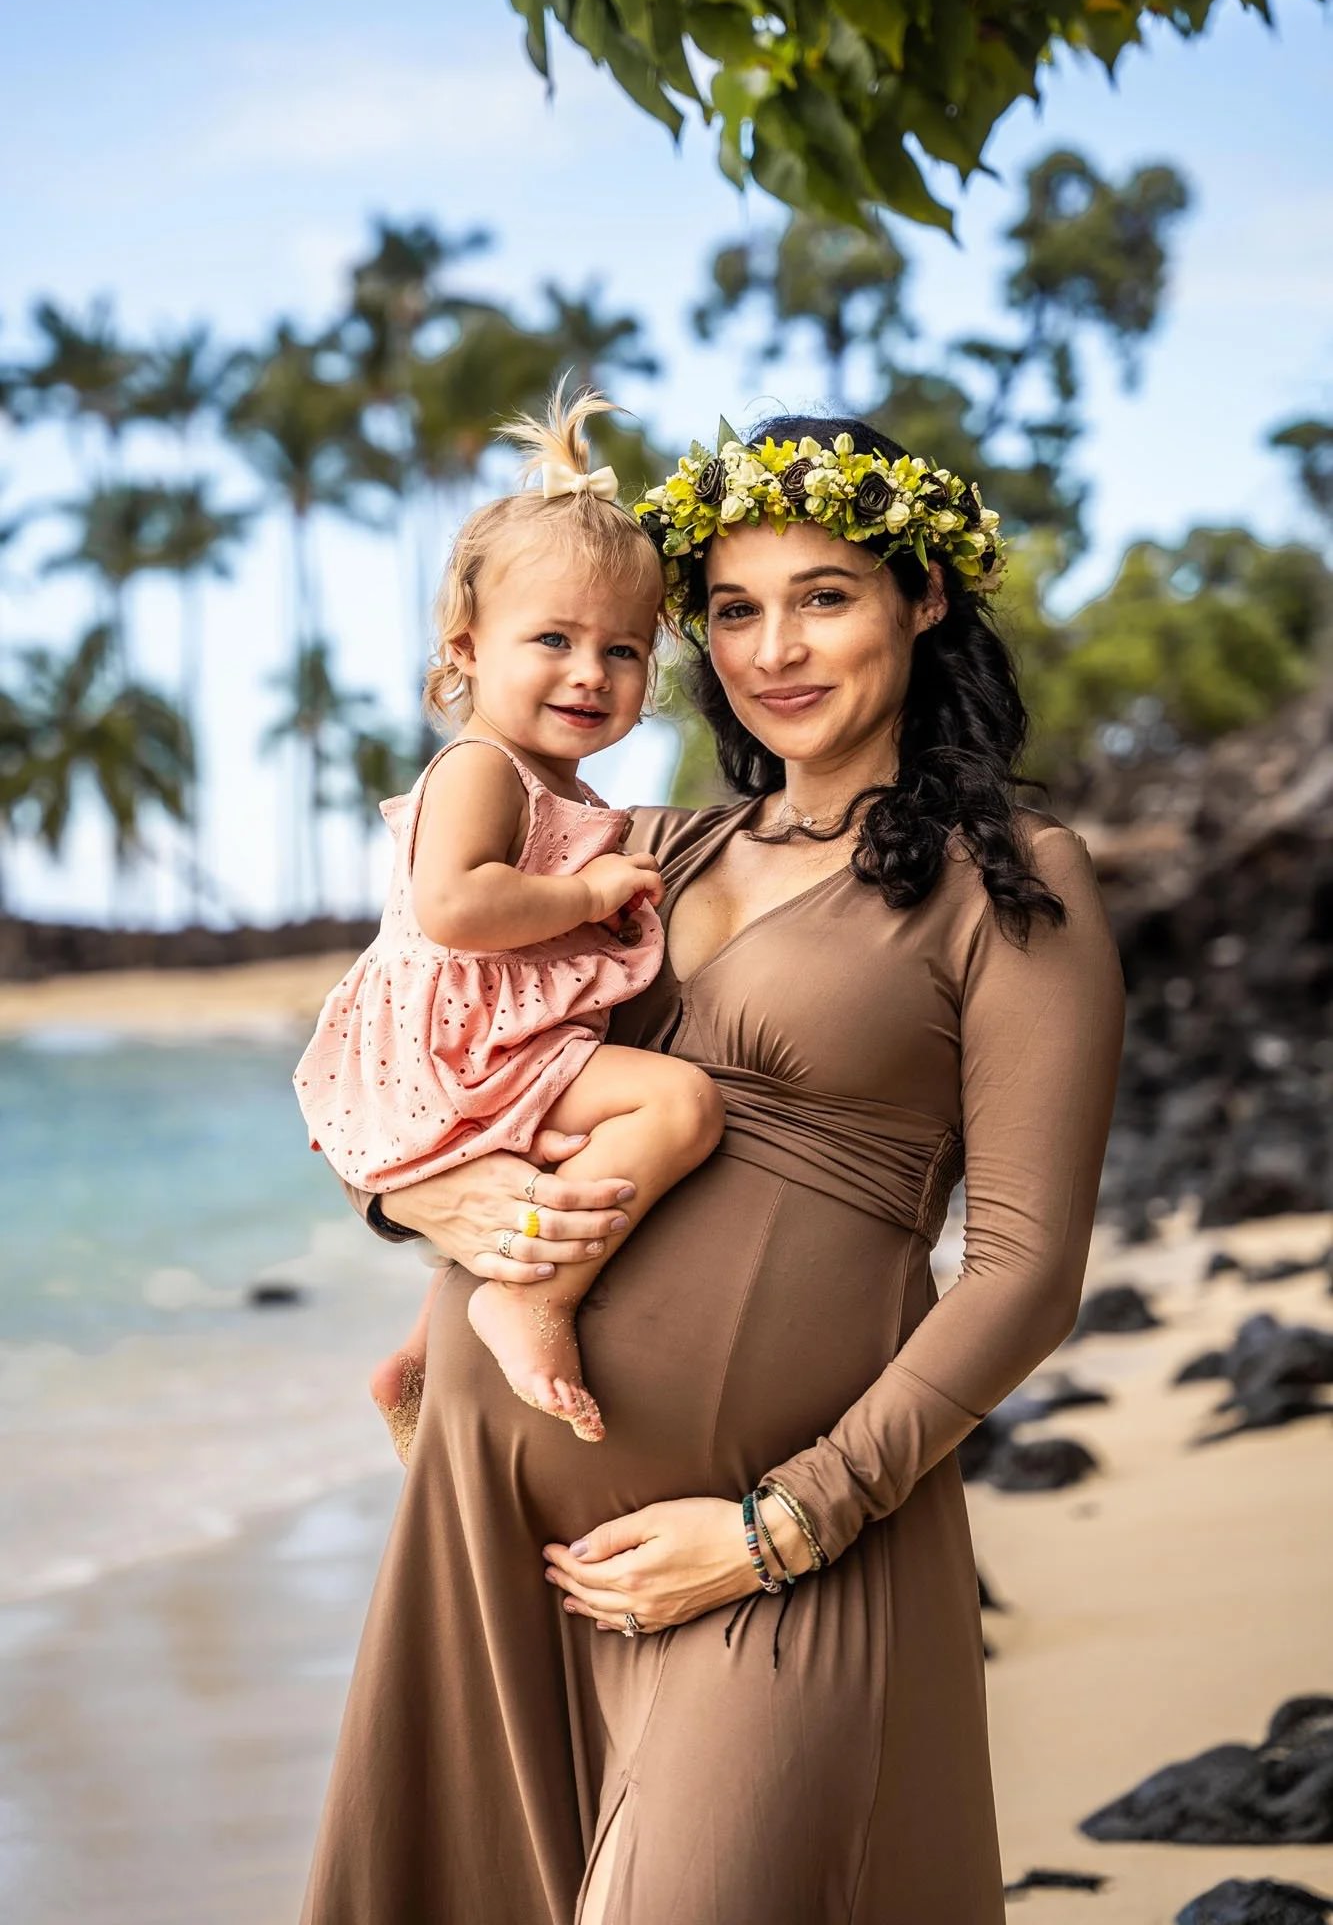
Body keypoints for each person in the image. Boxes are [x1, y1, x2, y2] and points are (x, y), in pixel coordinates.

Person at [299, 410, 1126, 1925]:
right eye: (734, 609)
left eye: (825, 595)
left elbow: (1024, 1271)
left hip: (781, 1545)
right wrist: (397, 1197)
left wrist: (782, 1525)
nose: (774, 649)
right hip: (505, 1522)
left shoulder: (1009, 881)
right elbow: (421, 1046)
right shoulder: (647, 851)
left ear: (921, 597)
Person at [293, 383, 724, 1451]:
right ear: (468, 644)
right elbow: (452, 903)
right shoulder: (485, 769)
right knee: (677, 1108)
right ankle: (530, 1299)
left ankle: (422, 1349)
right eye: (554, 639)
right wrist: (583, 896)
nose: (591, 671)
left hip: (492, 1038)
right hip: (460, 1040)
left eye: (624, 650)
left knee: (539, 1173)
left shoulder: (570, 793)